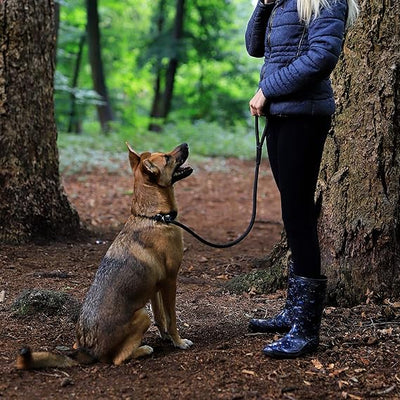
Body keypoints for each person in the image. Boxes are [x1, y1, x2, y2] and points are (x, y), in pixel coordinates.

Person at [245, 0, 359, 358]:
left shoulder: (327, 0)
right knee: (294, 215)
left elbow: (323, 55)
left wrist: (268, 89)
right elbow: (254, 46)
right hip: (282, 115)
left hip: (304, 117)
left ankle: (307, 328)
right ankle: (295, 312)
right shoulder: (282, 4)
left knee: (298, 216)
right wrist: (263, 6)